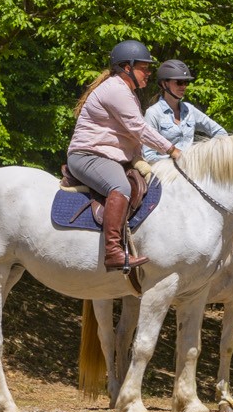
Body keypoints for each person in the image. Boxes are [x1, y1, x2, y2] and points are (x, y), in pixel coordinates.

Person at [66, 40, 180, 273]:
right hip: (88, 156)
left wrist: (140, 160)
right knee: (121, 187)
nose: (148, 73)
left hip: (107, 157)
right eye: (144, 68)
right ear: (127, 68)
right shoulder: (116, 90)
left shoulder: (126, 92)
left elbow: (131, 136)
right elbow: (139, 128)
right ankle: (114, 252)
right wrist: (172, 149)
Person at [141, 59, 227, 163]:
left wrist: (206, 153)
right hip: (166, 173)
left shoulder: (190, 109)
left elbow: (220, 132)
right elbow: (149, 156)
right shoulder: (153, 113)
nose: (183, 87)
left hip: (193, 170)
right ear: (164, 84)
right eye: (179, 82)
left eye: (186, 82)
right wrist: (180, 160)